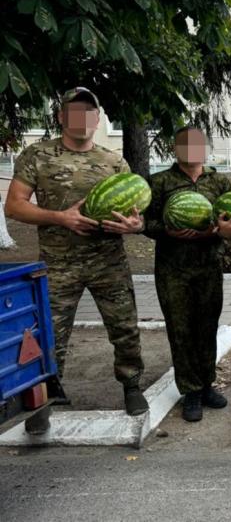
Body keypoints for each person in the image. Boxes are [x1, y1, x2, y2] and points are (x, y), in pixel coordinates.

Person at [6, 88, 147, 434]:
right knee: (50, 334)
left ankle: (131, 386)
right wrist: (60, 217)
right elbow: (14, 206)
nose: (82, 118)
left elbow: (136, 213)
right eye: (74, 111)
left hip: (108, 262)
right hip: (58, 263)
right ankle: (42, 401)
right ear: (61, 117)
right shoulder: (38, 155)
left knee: (125, 329)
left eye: (89, 112)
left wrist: (135, 226)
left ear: (97, 119)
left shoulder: (114, 161)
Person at [144, 127, 231, 422]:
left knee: (207, 327)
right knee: (181, 330)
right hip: (172, 269)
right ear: (175, 148)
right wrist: (167, 231)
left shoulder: (219, 182)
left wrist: (223, 232)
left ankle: (206, 385)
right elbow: (145, 223)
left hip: (209, 266)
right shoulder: (159, 182)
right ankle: (190, 390)